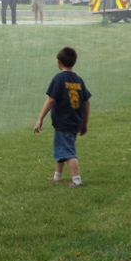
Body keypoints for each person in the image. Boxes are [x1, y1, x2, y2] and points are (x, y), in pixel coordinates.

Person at [34, 47, 92, 187]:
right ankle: (57, 176)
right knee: (61, 148)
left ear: (58, 62)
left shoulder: (59, 79)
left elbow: (51, 99)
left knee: (68, 151)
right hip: (74, 121)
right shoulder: (78, 80)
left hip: (64, 122)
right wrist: (84, 123)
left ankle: (76, 180)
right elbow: (86, 102)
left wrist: (40, 118)